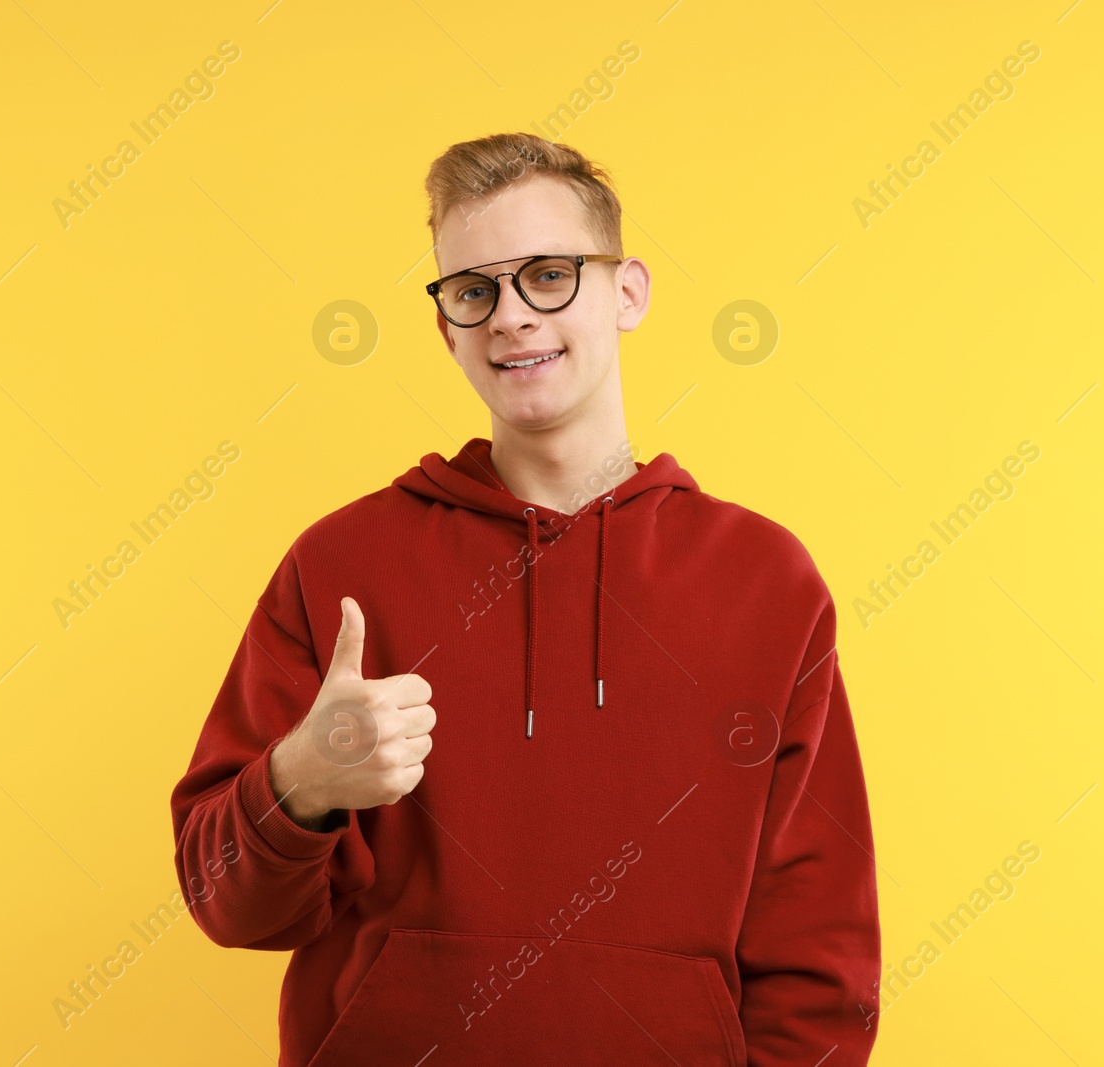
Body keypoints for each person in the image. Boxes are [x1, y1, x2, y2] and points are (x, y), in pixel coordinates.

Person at [169, 131, 881, 1066]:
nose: (511, 316)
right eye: (475, 290)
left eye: (548, 274)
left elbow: (817, 937)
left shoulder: (767, 580)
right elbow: (226, 902)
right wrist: (299, 782)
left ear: (627, 292)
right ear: (448, 326)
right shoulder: (339, 565)